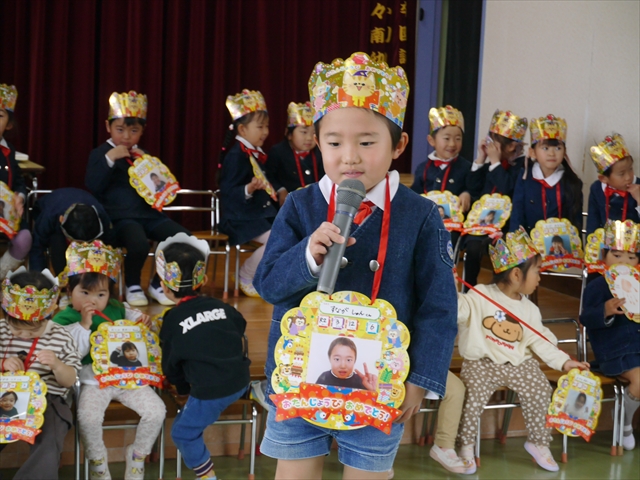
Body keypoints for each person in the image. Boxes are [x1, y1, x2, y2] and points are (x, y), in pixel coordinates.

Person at [254, 52, 457, 480]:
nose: (349, 157)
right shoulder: (301, 204)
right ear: (316, 141)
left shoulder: (420, 215)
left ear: (398, 145)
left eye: (366, 143)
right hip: (299, 378)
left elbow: (438, 306)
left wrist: (420, 378)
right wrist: (308, 255)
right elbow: (268, 284)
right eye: (334, 143)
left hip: (378, 382)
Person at [456, 228, 589, 472]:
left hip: (518, 364)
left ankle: (538, 443)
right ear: (517, 274)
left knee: (540, 389)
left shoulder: (530, 310)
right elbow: (458, 311)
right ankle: (465, 446)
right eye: (537, 271)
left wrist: (565, 362)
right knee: (471, 398)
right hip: (481, 363)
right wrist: (450, 290)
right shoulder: (480, 295)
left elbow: (541, 341)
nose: (540, 278)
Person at [53, 240, 164, 480]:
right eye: (84, 293)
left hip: (128, 377)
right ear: (69, 291)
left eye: (101, 294)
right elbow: (70, 353)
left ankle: (137, 456)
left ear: (109, 295)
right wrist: (84, 325)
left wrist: (143, 321)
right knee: (88, 417)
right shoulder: (64, 319)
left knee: (157, 411)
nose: (93, 300)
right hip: (93, 382)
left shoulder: (116, 308)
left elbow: (134, 319)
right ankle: (97, 462)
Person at [156, 233, 251, 480]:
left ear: (164, 285)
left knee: (183, 434)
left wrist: (183, 391)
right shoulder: (222, 307)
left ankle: (207, 476)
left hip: (211, 391)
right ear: (204, 280)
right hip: (241, 379)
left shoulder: (172, 320)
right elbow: (240, 325)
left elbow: (171, 367)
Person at [85, 90, 190, 307]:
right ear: (108, 127)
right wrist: (109, 159)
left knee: (184, 239)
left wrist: (149, 165)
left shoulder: (143, 155)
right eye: (120, 130)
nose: (126, 137)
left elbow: (161, 188)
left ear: (142, 131)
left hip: (149, 215)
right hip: (121, 218)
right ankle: (132, 285)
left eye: (133, 131)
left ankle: (159, 284)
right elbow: (92, 185)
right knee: (138, 243)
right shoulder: (100, 154)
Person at [0, 268, 82, 480]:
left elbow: (70, 380)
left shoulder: (61, 335)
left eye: (33, 331)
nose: (24, 335)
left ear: (47, 317)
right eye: (17, 329)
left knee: (48, 443)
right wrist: (2, 363)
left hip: (47, 399)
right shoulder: (1, 330)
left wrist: (57, 365)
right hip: (3, 394)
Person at [580, 219, 640, 451]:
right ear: (603, 256)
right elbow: (586, 318)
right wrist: (604, 310)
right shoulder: (597, 285)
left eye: (631, 257)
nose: (624, 261)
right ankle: (624, 420)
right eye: (616, 255)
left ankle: (625, 410)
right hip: (616, 351)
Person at [218, 89, 278, 297]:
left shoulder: (254, 153)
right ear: (242, 129)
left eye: (266, 126)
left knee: (286, 234)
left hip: (256, 216)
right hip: (239, 219)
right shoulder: (236, 155)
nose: (265, 131)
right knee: (277, 239)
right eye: (260, 127)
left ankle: (262, 276)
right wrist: (248, 189)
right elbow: (227, 191)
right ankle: (246, 274)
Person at [462, 109, 528, 287]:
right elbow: (473, 186)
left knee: (500, 248)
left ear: (511, 146)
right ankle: (469, 288)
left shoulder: (520, 167)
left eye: (494, 141)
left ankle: (499, 290)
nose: (490, 145)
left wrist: (495, 162)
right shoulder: (489, 164)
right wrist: (481, 158)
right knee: (473, 247)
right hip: (481, 223)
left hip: (504, 226)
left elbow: (508, 188)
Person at [510, 114, 583, 233]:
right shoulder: (524, 178)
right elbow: (517, 214)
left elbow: (576, 224)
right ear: (532, 152)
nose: (552, 153)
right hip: (529, 242)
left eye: (558, 148)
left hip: (561, 243)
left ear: (565, 152)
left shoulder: (572, 182)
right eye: (545, 148)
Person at [29, 187, 111, 275]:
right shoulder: (48, 216)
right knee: (57, 242)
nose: (79, 246)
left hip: (77, 204)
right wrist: (40, 278)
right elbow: (36, 248)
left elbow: (110, 244)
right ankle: (61, 276)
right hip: (52, 219)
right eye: (76, 242)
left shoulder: (100, 214)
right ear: (61, 219)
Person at [410, 105, 472, 210]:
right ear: (431, 141)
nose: (452, 144)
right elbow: (415, 194)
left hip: (455, 219)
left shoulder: (467, 167)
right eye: (447, 138)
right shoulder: (423, 168)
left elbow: (474, 189)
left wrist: (467, 194)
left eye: (458, 139)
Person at [0, 83, 31, 281]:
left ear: (9, 124)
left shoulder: (8, 150)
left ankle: (1, 273)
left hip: (6, 214)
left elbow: (19, 181)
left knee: (25, 238)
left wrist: (19, 197)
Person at [266, 101, 325, 202]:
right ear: (289, 134)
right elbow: (269, 176)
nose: (309, 138)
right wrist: (281, 190)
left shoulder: (319, 152)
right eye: (304, 132)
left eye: (314, 133)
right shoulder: (278, 152)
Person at [586, 133, 640, 235]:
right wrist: (593, 243)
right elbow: (592, 224)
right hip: (604, 244)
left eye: (630, 169)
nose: (628, 177)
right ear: (604, 178)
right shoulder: (596, 189)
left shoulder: (638, 186)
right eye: (621, 174)